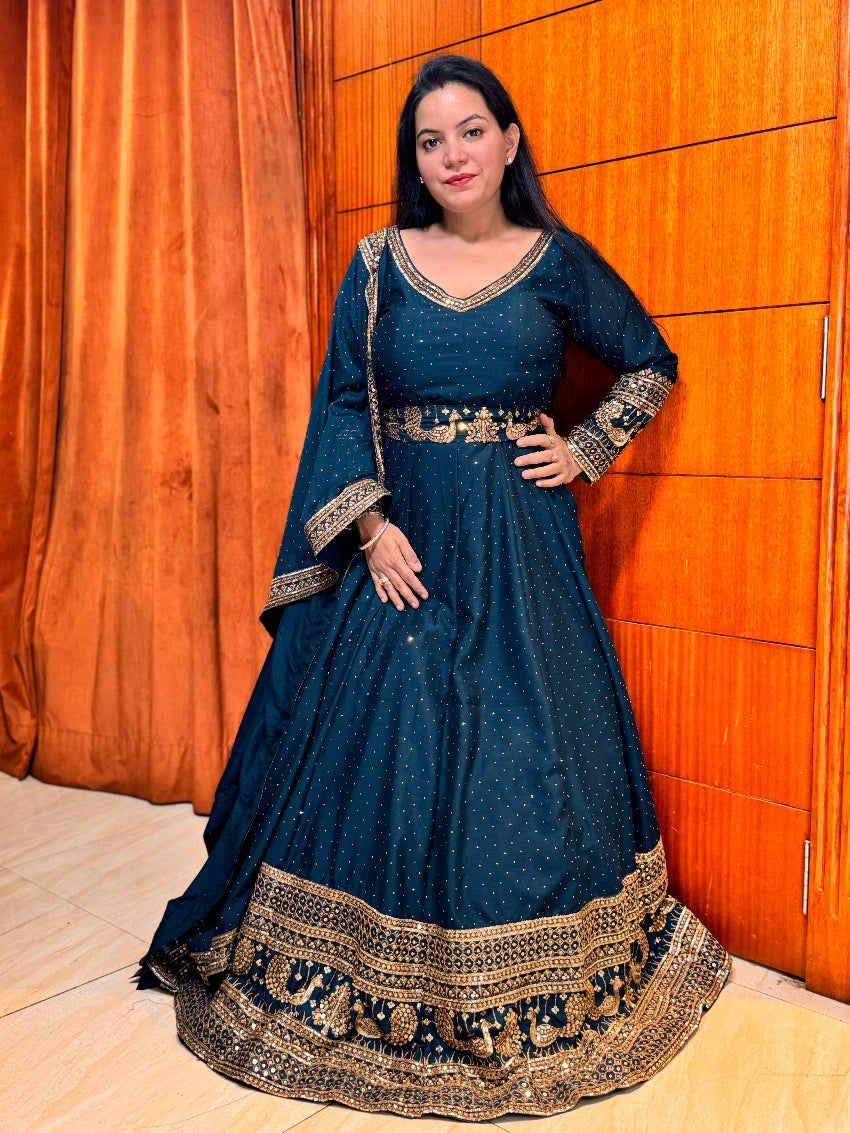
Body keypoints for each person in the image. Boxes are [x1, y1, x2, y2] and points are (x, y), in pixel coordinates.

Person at [138, 54, 730, 1120]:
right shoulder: (373, 265)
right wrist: (367, 527)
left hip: (517, 546)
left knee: (523, 749)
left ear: (509, 141)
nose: (451, 155)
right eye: (429, 139)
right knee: (386, 746)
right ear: (414, 159)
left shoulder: (556, 261)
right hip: (400, 547)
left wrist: (588, 447)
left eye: (470, 131)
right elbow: (337, 405)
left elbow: (647, 359)